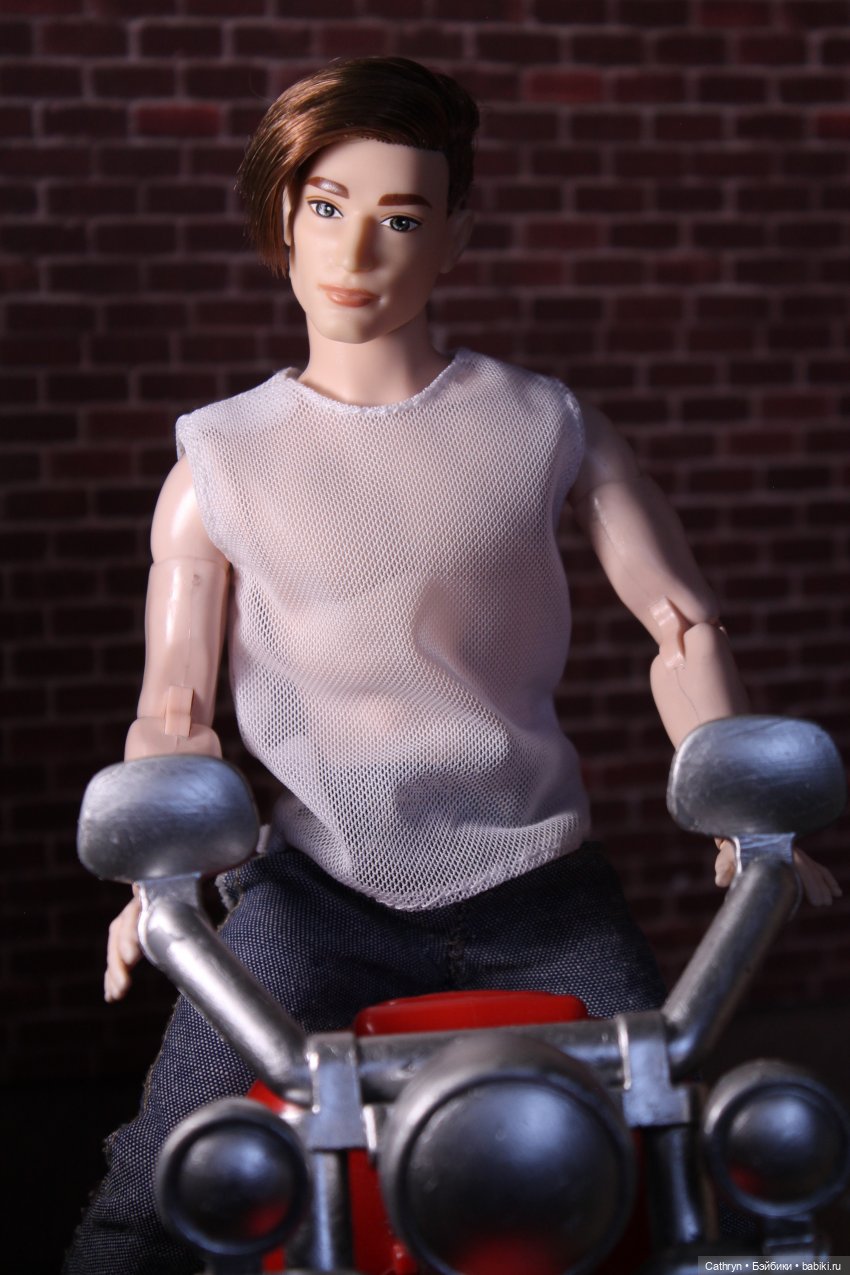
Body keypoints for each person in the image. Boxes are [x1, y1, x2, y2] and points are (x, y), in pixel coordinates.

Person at [65, 57, 840, 1275]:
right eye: (327, 205)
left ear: (454, 238)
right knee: (165, 1178)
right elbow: (175, 706)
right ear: (283, 213)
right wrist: (152, 879)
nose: (353, 252)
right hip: (317, 895)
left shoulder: (542, 424)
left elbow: (681, 622)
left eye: (400, 218)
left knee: (684, 1156)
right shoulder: (217, 465)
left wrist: (747, 810)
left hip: (541, 888)